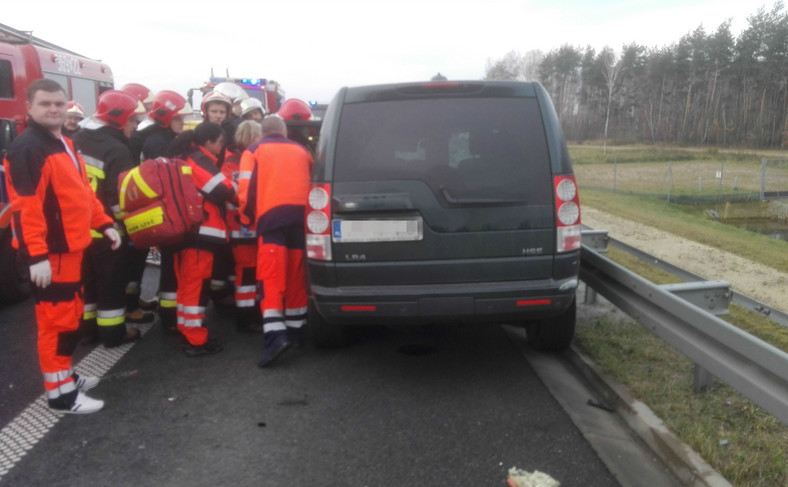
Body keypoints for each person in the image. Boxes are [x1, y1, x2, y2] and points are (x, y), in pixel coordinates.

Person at [3, 79, 121, 414]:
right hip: (52, 254)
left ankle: (65, 376)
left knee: (69, 318)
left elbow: (83, 193)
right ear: (29, 107)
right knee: (57, 324)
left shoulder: (64, 143)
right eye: (45, 104)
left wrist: (103, 223)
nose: (53, 109)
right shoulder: (28, 149)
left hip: (71, 249)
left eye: (58, 103)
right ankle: (60, 395)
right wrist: (35, 255)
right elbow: (25, 207)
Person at [238, 115, 312, 367]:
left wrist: (246, 219)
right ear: (284, 131)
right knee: (295, 275)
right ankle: (296, 331)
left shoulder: (254, 150)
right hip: (301, 219)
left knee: (271, 278)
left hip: (271, 219)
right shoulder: (302, 151)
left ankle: (275, 337)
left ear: (263, 132)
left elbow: (245, 190)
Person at [74, 90, 147, 347]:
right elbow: (120, 199)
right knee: (111, 286)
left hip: (80, 229)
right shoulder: (118, 150)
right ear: (118, 120)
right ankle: (113, 334)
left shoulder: (78, 139)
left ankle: (87, 330)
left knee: (89, 284)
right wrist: (133, 225)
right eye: (132, 121)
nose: (136, 126)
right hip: (108, 231)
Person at [171, 122, 236, 356]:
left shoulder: (184, 156)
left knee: (188, 286)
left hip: (187, 233)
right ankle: (195, 339)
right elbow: (222, 190)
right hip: (200, 233)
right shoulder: (198, 159)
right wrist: (238, 190)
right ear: (208, 142)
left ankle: (188, 330)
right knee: (195, 288)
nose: (221, 148)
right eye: (219, 143)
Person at [222, 120, 263, 333]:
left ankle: (252, 311)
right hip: (241, 225)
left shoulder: (238, 160)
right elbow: (238, 195)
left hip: (248, 224)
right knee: (246, 271)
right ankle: (246, 317)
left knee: (254, 270)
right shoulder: (233, 163)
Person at [129, 90, 192, 162]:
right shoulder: (158, 144)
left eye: (182, 118)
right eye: (177, 119)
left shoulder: (164, 137)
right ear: (166, 119)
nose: (182, 123)